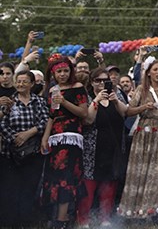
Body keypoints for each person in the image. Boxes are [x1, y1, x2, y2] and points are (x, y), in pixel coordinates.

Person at [117, 59, 158, 221]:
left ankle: (156, 211)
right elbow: (129, 111)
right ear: (149, 73)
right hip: (145, 134)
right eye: (155, 70)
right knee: (141, 171)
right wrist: (143, 107)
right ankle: (136, 211)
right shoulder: (141, 90)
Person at [40, 54, 90, 228]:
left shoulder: (77, 87)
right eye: (59, 71)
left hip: (71, 136)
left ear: (71, 71)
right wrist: (45, 137)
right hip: (55, 137)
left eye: (66, 71)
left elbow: (84, 113)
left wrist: (64, 102)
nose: (62, 74)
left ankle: (61, 220)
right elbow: (52, 116)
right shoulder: (53, 90)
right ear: (53, 73)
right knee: (54, 176)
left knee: (66, 177)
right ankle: (57, 216)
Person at [77, 68, 128, 228]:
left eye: (105, 80)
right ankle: (83, 220)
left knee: (110, 184)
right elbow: (88, 120)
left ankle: (105, 218)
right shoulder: (87, 97)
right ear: (91, 82)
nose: (101, 83)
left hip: (112, 146)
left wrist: (115, 101)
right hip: (92, 147)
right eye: (97, 80)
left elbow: (125, 113)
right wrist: (97, 100)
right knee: (89, 184)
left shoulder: (116, 94)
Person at [0, 70, 50, 227]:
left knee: (30, 188)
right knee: (11, 188)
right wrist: (15, 139)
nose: (20, 84)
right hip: (11, 152)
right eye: (18, 81)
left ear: (32, 84)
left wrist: (28, 133)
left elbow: (45, 121)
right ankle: (10, 222)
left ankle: (26, 221)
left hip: (33, 152)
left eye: (24, 81)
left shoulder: (39, 101)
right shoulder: (9, 101)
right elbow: (2, 124)